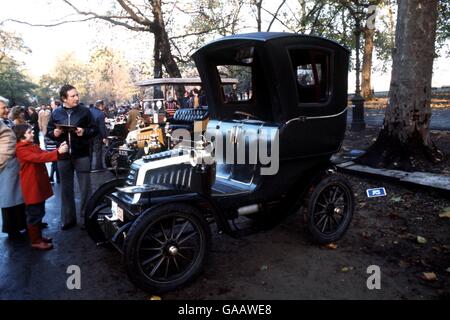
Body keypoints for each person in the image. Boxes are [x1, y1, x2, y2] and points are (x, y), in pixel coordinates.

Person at [46, 84, 97, 230]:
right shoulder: (56, 113)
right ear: (64, 99)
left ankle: (87, 219)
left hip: (81, 154)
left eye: (77, 95)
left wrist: (84, 131)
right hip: (63, 156)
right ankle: (68, 219)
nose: (76, 98)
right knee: (66, 189)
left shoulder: (85, 112)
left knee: (86, 189)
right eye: (72, 96)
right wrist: (53, 134)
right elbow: (49, 131)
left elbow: (95, 129)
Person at [13, 124, 69, 250]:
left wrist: (58, 150)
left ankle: (38, 237)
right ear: (21, 135)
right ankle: (35, 240)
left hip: (36, 185)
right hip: (32, 186)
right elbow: (38, 158)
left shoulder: (30, 146)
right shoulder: (21, 149)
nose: (33, 134)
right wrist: (58, 152)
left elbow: (43, 154)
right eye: (29, 132)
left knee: (39, 212)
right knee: (34, 215)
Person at [0, 96, 27, 239]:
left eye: (6, 107)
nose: (6, 110)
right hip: (5, 167)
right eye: (3, 108)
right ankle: (11, 229)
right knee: (8, 198)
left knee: (16, 197)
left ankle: (19, 225)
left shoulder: (7, 121)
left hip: (13, 165)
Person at [89, 99, 107, 170]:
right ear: (101, 105)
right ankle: (99, 166)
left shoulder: (89, 111)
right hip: (97, 134)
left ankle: (89, 166)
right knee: (98, 151)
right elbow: (101, 126)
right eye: (103, 105)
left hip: (89, 134)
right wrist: (104, 136)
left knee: (89, 151)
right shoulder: (101, 114)